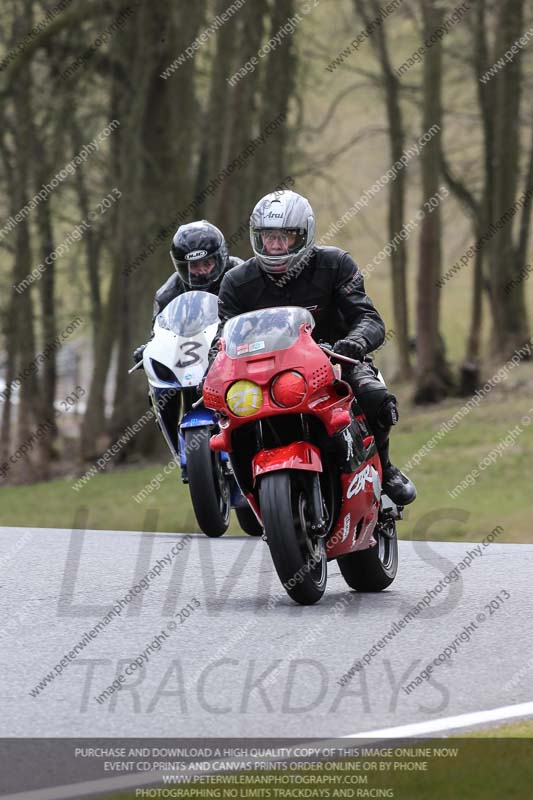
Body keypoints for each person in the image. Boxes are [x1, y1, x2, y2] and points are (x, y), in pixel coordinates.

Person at [207, 189, 416, 506]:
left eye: (284, 237)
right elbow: (223, 336)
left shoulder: (335, 265)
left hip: (334, 363)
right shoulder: (237, 281)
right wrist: (213, 368)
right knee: (230, 420)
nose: (274, 246)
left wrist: (354, 343)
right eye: (267, 237)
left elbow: (368, 318)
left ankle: (384, 469)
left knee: (375, 398)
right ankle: (254, 494)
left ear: (304, 235)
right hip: (265, 375)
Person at [132, 220, 243, 363]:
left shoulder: (240, 275)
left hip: (235, 353)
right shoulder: (167, 295)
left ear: (220, 258)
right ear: (183, 268)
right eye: (194, 265)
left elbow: (258, 317)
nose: (202, 270)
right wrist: (151, 349)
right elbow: (161, 335)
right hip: (190, 362)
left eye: (207, 263)